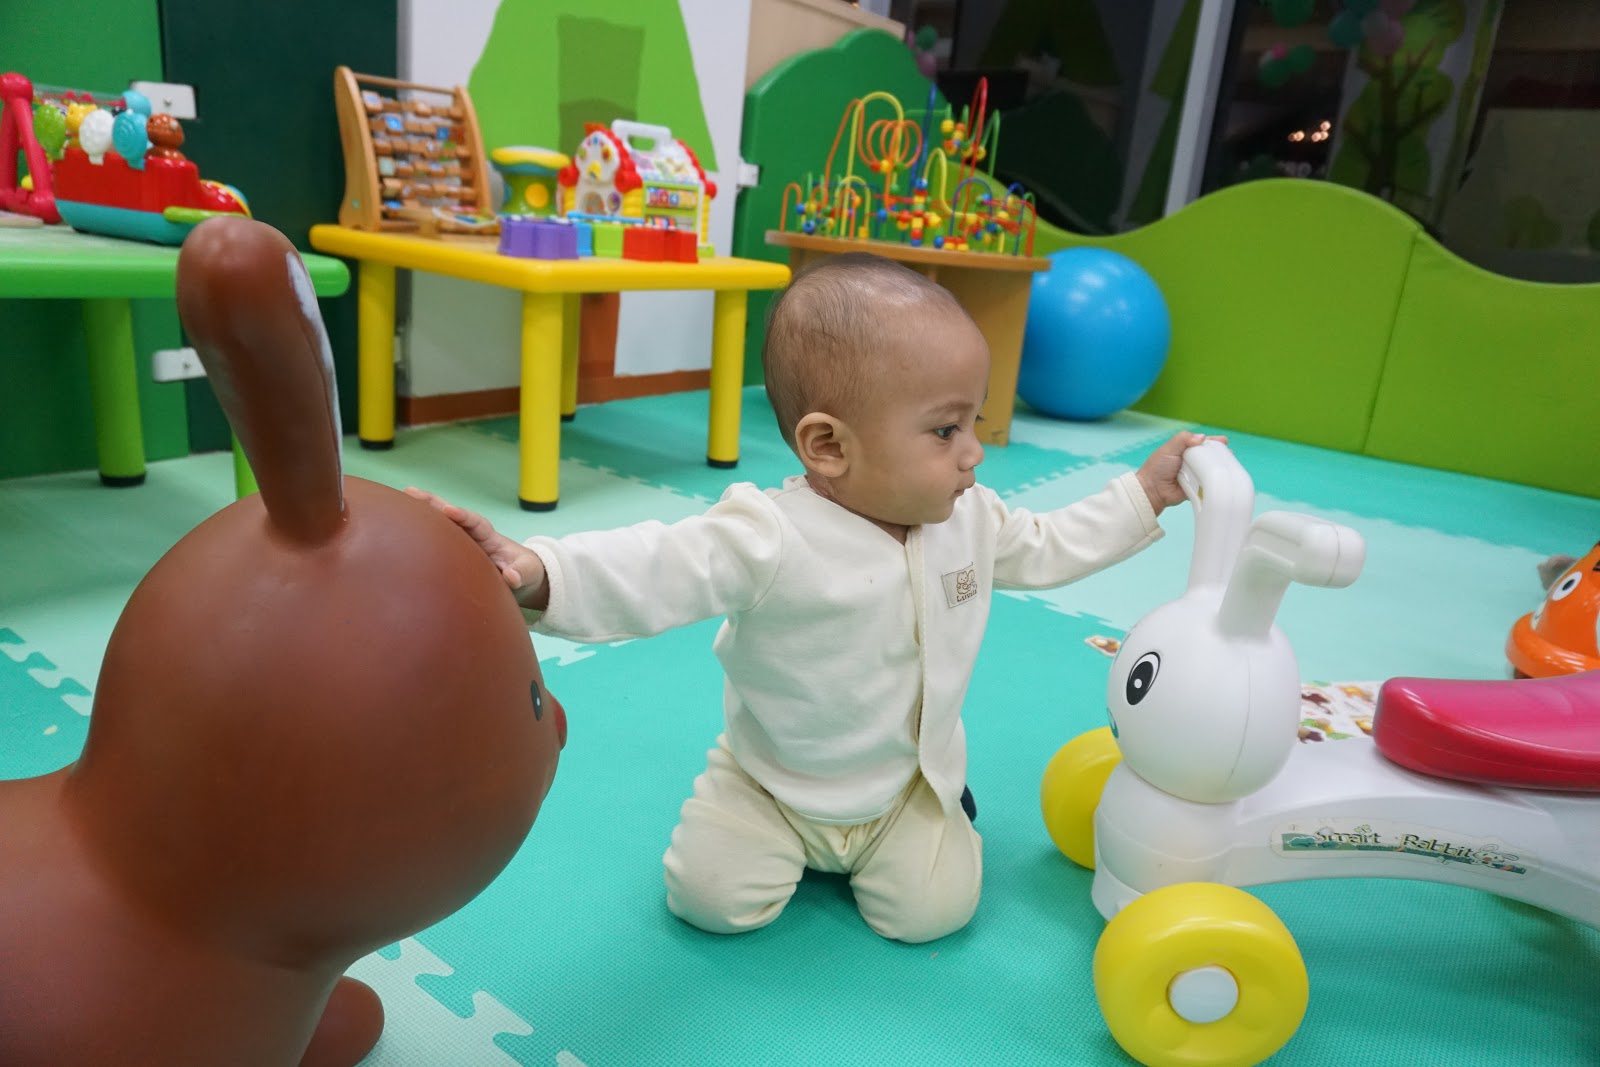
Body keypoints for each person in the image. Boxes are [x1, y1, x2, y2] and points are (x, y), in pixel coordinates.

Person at [408, 252, 1212, 944]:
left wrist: (1143, 493)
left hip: (905, 784)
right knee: (706, 899)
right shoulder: (768, 535)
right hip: (774, 782)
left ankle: (939, 809)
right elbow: (656, 565)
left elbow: (1050, 542)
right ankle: (748, 807)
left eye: (974, 421)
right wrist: (539, 571)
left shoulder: (969, 519)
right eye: (945, 431)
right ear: (828, 445)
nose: (974, 453)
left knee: (934, 913)